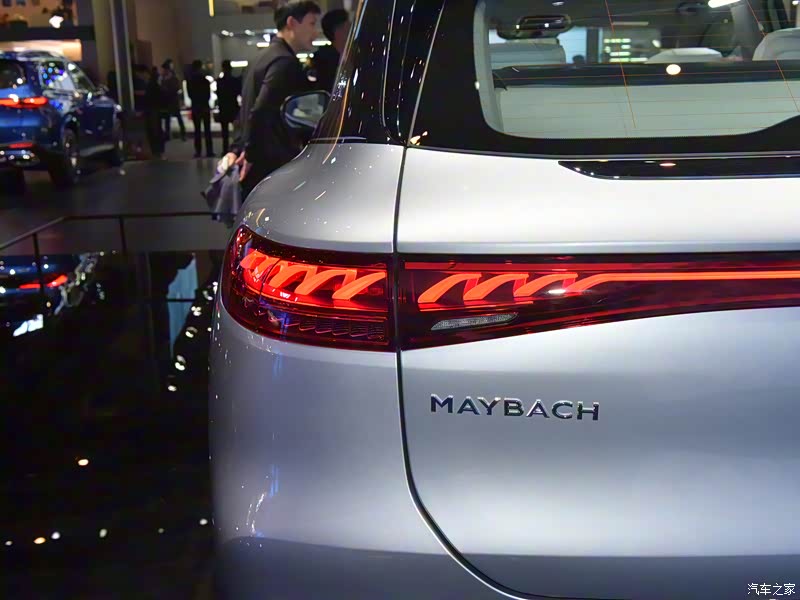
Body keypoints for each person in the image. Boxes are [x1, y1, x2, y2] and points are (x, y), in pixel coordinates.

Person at [222, 0, 321, 197]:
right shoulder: (284, 62)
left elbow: (246, 109)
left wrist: (237, 148)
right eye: (311, 23)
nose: (316, 32)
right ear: (291, 23)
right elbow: (261, 110)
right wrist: (251, 154)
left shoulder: (260, 57)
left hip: (256, 160)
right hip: (271, 164)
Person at [310, 8, 350, 93]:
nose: (352, 31)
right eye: (349, 26)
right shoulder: (323, 61)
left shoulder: (355, 56)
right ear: (339, 31)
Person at [187, 59, 215, 158]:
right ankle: (209, 151)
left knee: (197, 130)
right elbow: (208, 95)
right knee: (207, 130)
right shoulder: (205, 80)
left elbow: (190, 95)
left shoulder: (190, 81)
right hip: (204, 106)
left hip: (195, 106)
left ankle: (198, 151)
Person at [216, 60, 242, 156]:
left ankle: (225, 149)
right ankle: (236, 149)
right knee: (237, 131)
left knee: (225, 132)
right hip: (233, 107)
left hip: (223, 108)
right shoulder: (235, 81)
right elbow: (239, 92)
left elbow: (219, 95)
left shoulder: (219, 81)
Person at [160, 59, 187, 142]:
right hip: (168, 101)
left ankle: (183, 134)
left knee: (178, 117)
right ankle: (168, 134)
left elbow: (176, 88)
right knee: (168, 119)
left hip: (173, 100)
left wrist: (166, 90)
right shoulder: (163, 78)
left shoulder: (173, 78)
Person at [143, 66, 165, 159]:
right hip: (155, 109)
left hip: (151, 110)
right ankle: (158, 150)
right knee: (157, 130)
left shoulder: (149, 85)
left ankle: (155, 150)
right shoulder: (156, 86)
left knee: (153, 130)